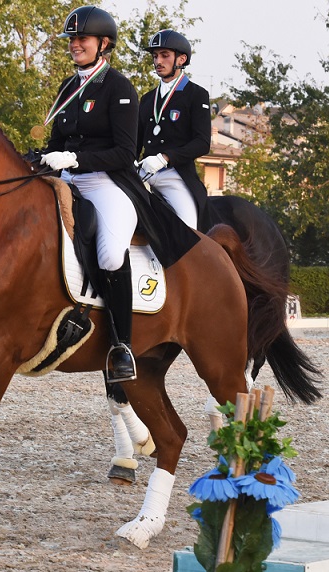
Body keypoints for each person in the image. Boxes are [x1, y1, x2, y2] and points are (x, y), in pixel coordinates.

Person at [40, 5, 143, 383]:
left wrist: (77, 158)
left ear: (103, 44)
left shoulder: (119, 87)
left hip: (106, 182)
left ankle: (122, 345)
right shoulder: (68, 88)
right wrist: (41, 158)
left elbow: (125, 153)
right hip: (66, 179)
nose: (75, 45)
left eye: (82, 39)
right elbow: (55, 142)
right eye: (72, 39)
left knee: (111, 253)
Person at [136, 29, 211, 231]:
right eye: (155, 56)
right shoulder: (147, 99)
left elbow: (202, 142)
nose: (158, 61)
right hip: (144, 173)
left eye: (164, 55)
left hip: (174, 175)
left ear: (181, 59)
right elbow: (135, 142)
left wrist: (165, 157)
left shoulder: (196, 95)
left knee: (189, 231)